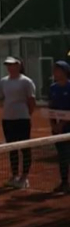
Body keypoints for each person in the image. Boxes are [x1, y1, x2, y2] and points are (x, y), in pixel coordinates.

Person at [0, 57, 37, 189]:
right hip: (7, 119)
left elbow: (31, 101)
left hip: (22, 119)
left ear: (19, 66)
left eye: (12, 65)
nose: (9, 67)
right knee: (12, 148)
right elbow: (3, 98)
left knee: (25, 148)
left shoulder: (26, 82)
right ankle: (14, 175)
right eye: (7, 65)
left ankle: (24, 177)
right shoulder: (3, 81)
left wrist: (26, 115)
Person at [48, 61, 70, 194]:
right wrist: (53, 125)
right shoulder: (53, 88)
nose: (54, 72)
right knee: (62, 156)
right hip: (57, 129)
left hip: (68, 128)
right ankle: (64, 182)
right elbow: (51, 108)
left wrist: (62, 124)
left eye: (57, 70)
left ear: (64, 71)